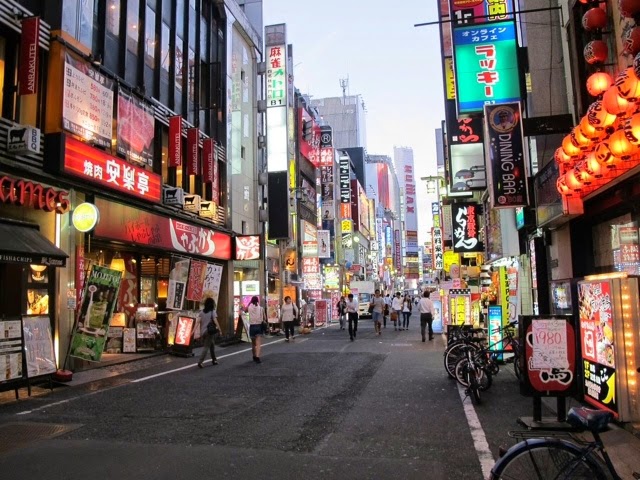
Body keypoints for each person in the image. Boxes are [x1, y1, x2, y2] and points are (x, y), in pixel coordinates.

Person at [197, 297, 221, 368]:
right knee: (206, 347)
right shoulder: (212, 312)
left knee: (212, 345)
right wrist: (220, 329)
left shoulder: (201, 312)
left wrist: (194, 332)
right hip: (209, 332)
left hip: (203, 332)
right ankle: (200, 362)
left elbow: (198, 322)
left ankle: (214, 360)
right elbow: (216, 321)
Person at [246, 295, 266, 363]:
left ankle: (254, 356)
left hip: (252, 327)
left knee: (253, 344)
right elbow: (264, 318)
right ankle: (257, 357)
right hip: (259, 326)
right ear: (258, 301)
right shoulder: (261, 308)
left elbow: (245, 310)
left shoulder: (249, 308)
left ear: (251, 301)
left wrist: (249, 303)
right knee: (258, 344)